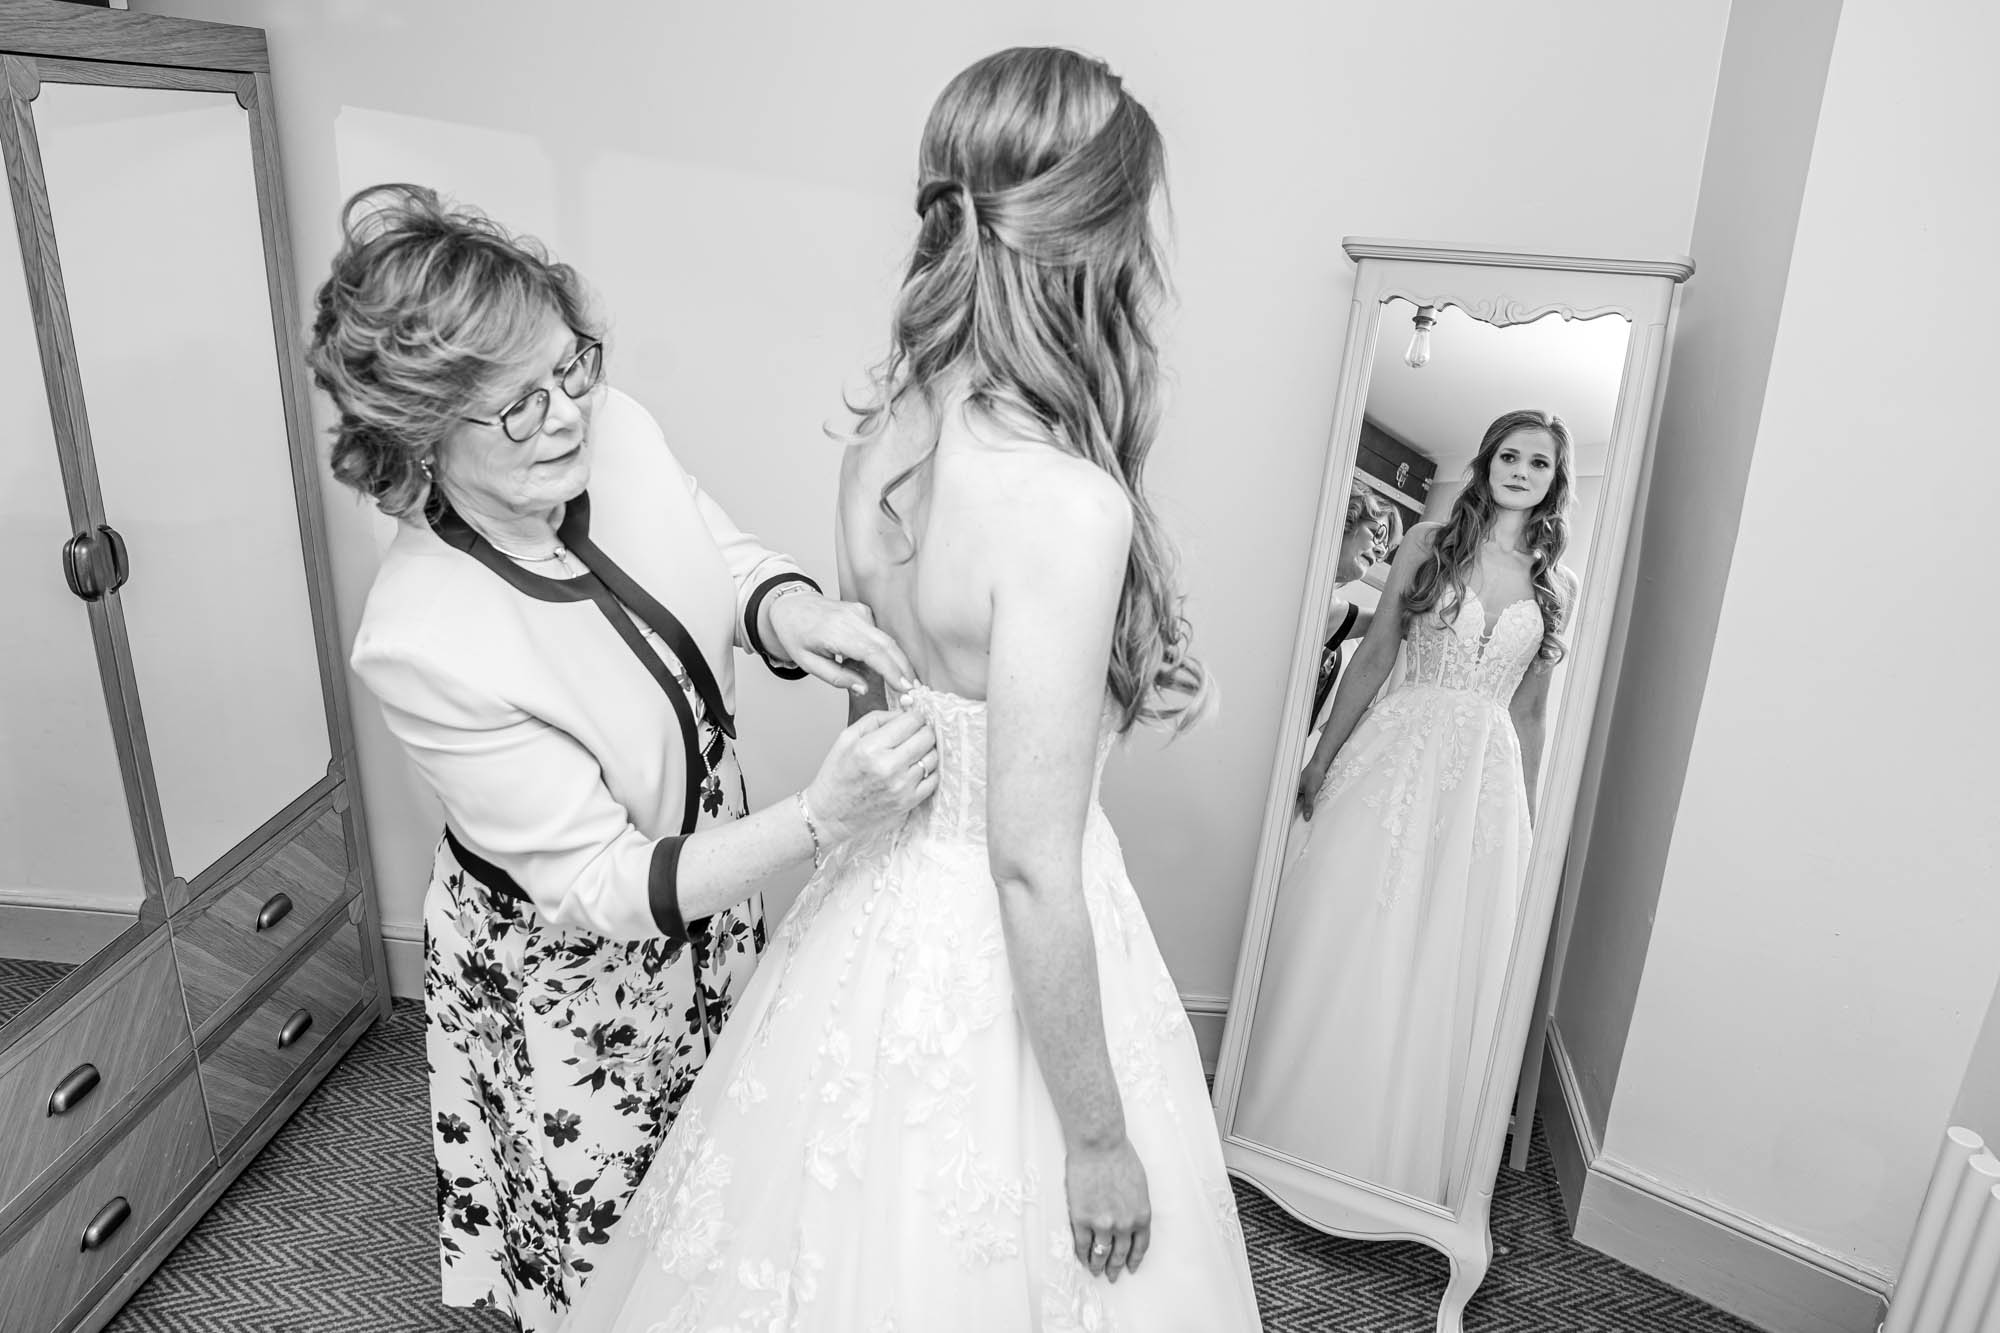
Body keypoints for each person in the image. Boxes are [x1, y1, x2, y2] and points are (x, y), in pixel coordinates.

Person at [558, 47, 1261, 1331]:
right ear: (1092, 237)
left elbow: (889, 719)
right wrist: (1096, 1141)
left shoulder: (885, 429)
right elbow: (1030, 867)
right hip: (1010, 939)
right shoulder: (1068, 500)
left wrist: (1112, 675)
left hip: (872, 910)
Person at [310, 184, 940, 1331]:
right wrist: (819, 820)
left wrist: (797, 615)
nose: (564, 414)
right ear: (419, 432)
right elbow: (599, 883)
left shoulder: (619, 428)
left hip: (714, 883)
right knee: (606, 1235)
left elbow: (717, 555)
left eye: (571, 368)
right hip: (570, 972)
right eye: (514, 405)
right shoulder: (419, 641)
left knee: (720, 1175)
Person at [1242, 409, 1577, 1205]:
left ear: (1554, 482)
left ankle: (1402, 1160)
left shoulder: (1556, 585)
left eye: (1539, 462)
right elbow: (1376, 652)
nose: (1522, 469)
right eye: (1511, 454)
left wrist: (1525, 818)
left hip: (1484, 784)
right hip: (1401, 749)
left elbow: (1531, 712)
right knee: (1361, 928)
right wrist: (1320, 756)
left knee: (1445, 950)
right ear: (1488, 459)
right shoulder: (1430, 542)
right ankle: (1298, 1128)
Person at [1305, 482, 1402, 740]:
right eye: (1377, 534)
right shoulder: (1314, 599)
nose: (1380, 551)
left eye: (1386, 549)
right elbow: (1390, 622)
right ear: (1346, 521)